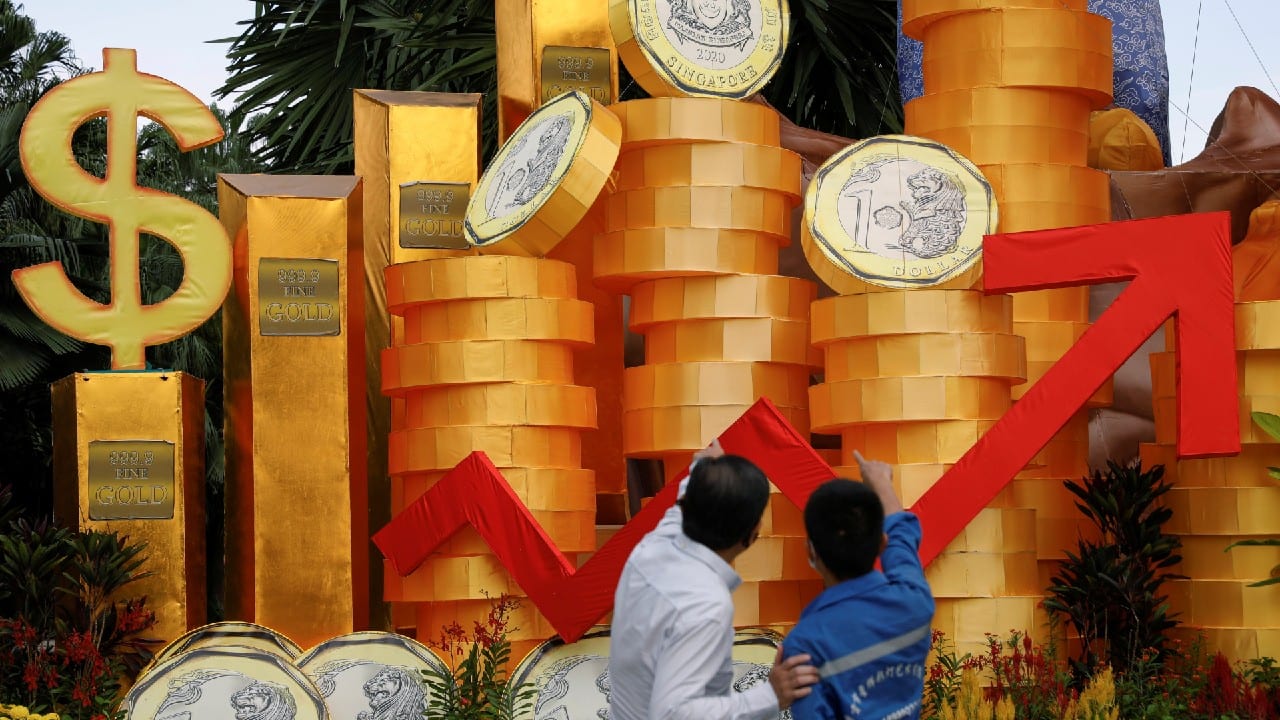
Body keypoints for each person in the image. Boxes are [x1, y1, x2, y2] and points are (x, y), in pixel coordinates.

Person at [609, 439, 820, 720]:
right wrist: (769, 696)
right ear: (752, 534)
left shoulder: (654, 546)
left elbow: (682, 507)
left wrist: (705, 468)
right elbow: (674, 713)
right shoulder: (705, 605)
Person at [783, 451, 935, 720]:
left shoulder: (805, 645)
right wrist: (881, 482)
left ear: (811, 552)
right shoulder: (915, 601)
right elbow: (902, 536)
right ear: (881, 544)